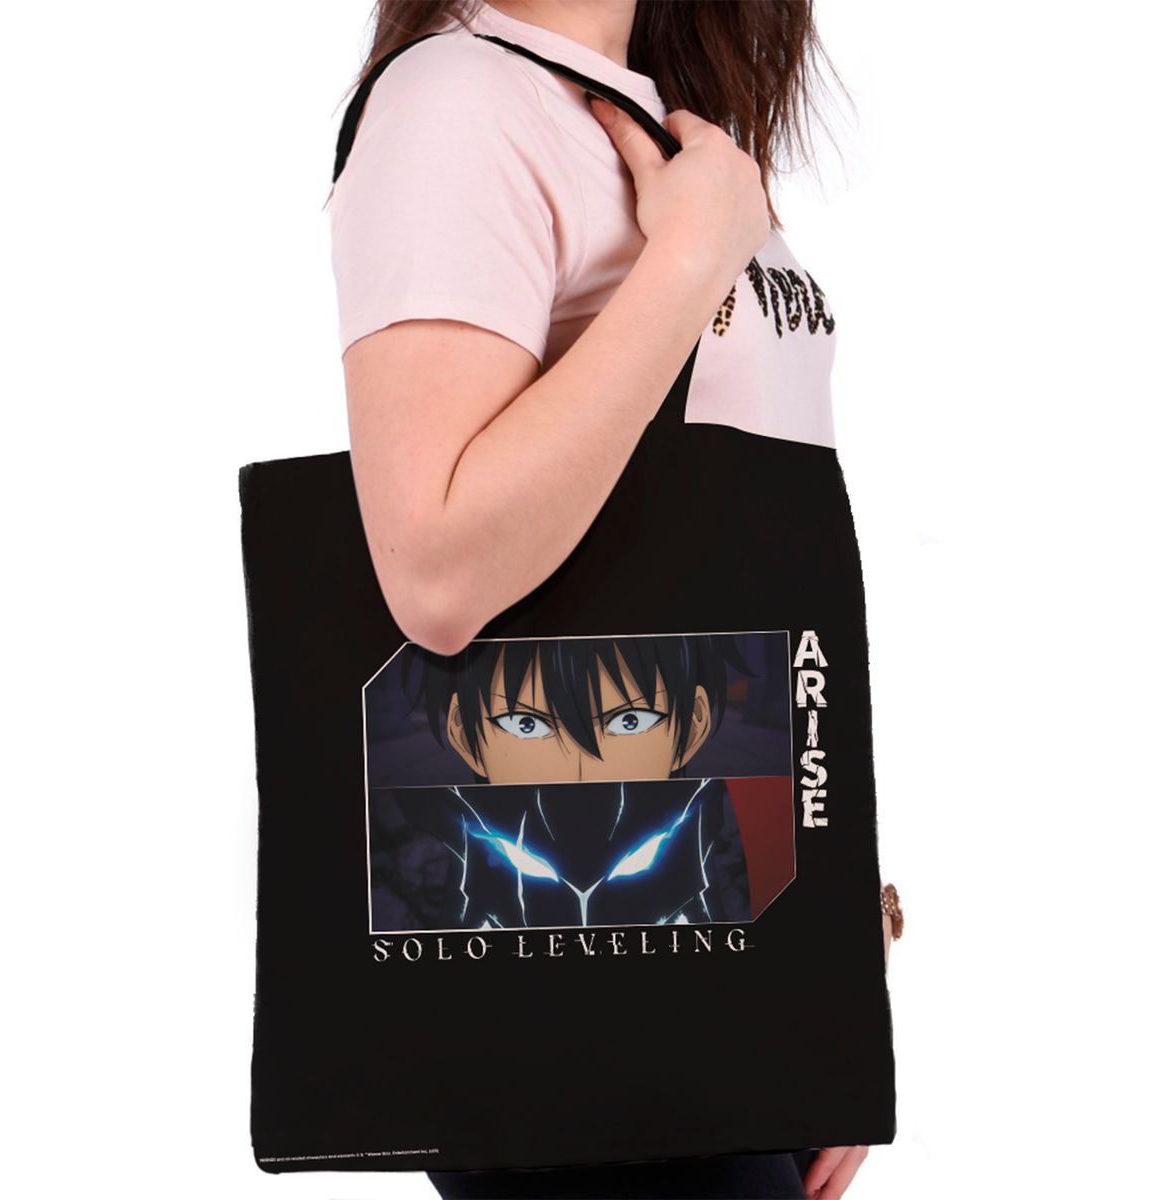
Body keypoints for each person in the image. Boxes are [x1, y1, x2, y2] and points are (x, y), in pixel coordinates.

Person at [329, 2, 901, 1196]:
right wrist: (688, 262)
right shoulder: (458, 100)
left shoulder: (665, 121)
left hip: (742, 944)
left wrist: (833, 926)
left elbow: (746, 564)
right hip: (576, 992)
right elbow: (435, 569)